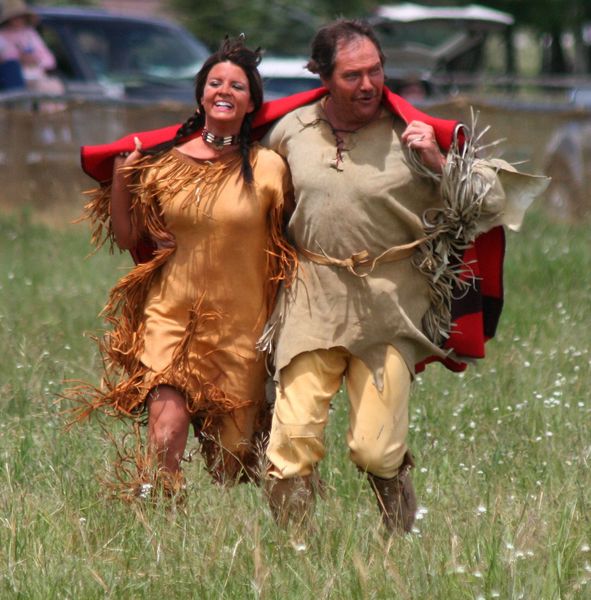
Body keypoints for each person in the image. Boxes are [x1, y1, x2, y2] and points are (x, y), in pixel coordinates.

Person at [257, 19, 548, 535]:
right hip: (311, 298)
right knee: (291, 443)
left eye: (376, 70)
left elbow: (490, 203)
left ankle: (399, 532)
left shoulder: (411, 133)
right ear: (322, 75)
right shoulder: (290, 130)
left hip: (390, 306)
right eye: (352, 75)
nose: (369, 84)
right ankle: (290, 551)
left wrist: (438, 162)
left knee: (375, 449)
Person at [75, 37, 296, 496]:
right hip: (170, 317)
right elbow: (129, 238)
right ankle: (163, 534)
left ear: (251, 101)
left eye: (236, 85)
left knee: (232, 462)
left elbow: (294, 240)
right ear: (200, 95)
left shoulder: (271, 167)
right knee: (164, 437)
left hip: (242, 331)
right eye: (215, 82)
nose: (224, 90)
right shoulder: (164, 167)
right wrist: (121, 179)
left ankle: (218, 532)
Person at [0, 0, 60, 93]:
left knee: (53, 86)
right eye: (15, 17)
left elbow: (49, 60)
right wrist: (21, 58)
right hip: (17, 80)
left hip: (37, 75)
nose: (18, 20)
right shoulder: (2, 36)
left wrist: (36, 61)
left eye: (21, 17)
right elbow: (8, 58)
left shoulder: (30, 34)